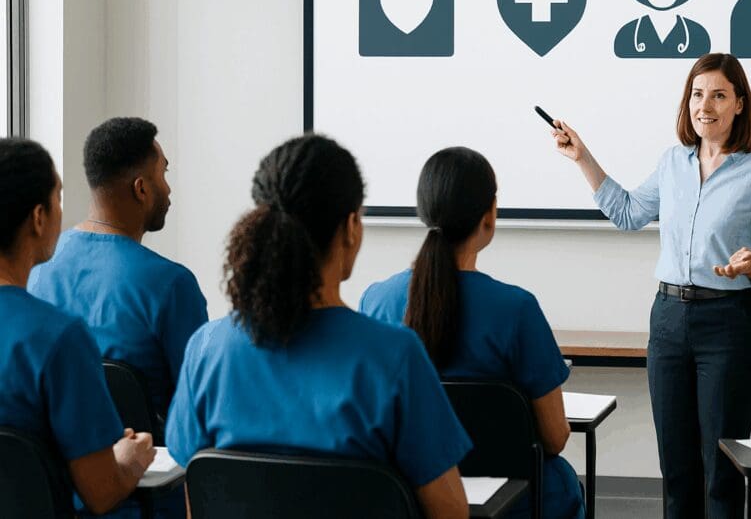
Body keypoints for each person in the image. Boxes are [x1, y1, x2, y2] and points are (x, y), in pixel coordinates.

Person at [165, 135, 471, 519]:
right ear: (350, 227)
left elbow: (199, 496)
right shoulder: (394, 357)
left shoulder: (207, 349)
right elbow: (450, 513)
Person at [552, 53, 751, 519]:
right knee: (676, 470)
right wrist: (584, 158)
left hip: (728, 324)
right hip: (668, 320)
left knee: (719, 473)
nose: (706, 105)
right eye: (698, 94)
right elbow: (627, 213)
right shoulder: (671, 163)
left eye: (719, 95)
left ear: (739, 104)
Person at [360, 146, 585, 519]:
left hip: (409, 497)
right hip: (518, 499)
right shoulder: (517, 309)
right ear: (489, 216)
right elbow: (554, 437)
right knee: (565, 485)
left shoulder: (376, 301)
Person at [0, 138, 155, 515]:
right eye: (58, 198)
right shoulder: (58, 338)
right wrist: (129, 459)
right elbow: (100, 493)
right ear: (38, 217)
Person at [29, 118, 207, 429]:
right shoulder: (172, 285)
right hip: (150, 472)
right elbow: (201, 411)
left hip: (52, 471)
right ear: (141, 189)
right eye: (163, 174)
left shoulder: (37, 269)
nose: (168, 189)